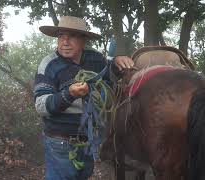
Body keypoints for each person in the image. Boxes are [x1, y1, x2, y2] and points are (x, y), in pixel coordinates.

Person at [33, 16, 133, 180]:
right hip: (60, 143)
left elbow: (107, 75)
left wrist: (117, 62)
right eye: (61, 36)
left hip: (88, 141)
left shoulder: (95, 58)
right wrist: (69, 94)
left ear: (83, 39)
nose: (65, 42)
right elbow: (41, 105)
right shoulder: (49, 65)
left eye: (71, 36)